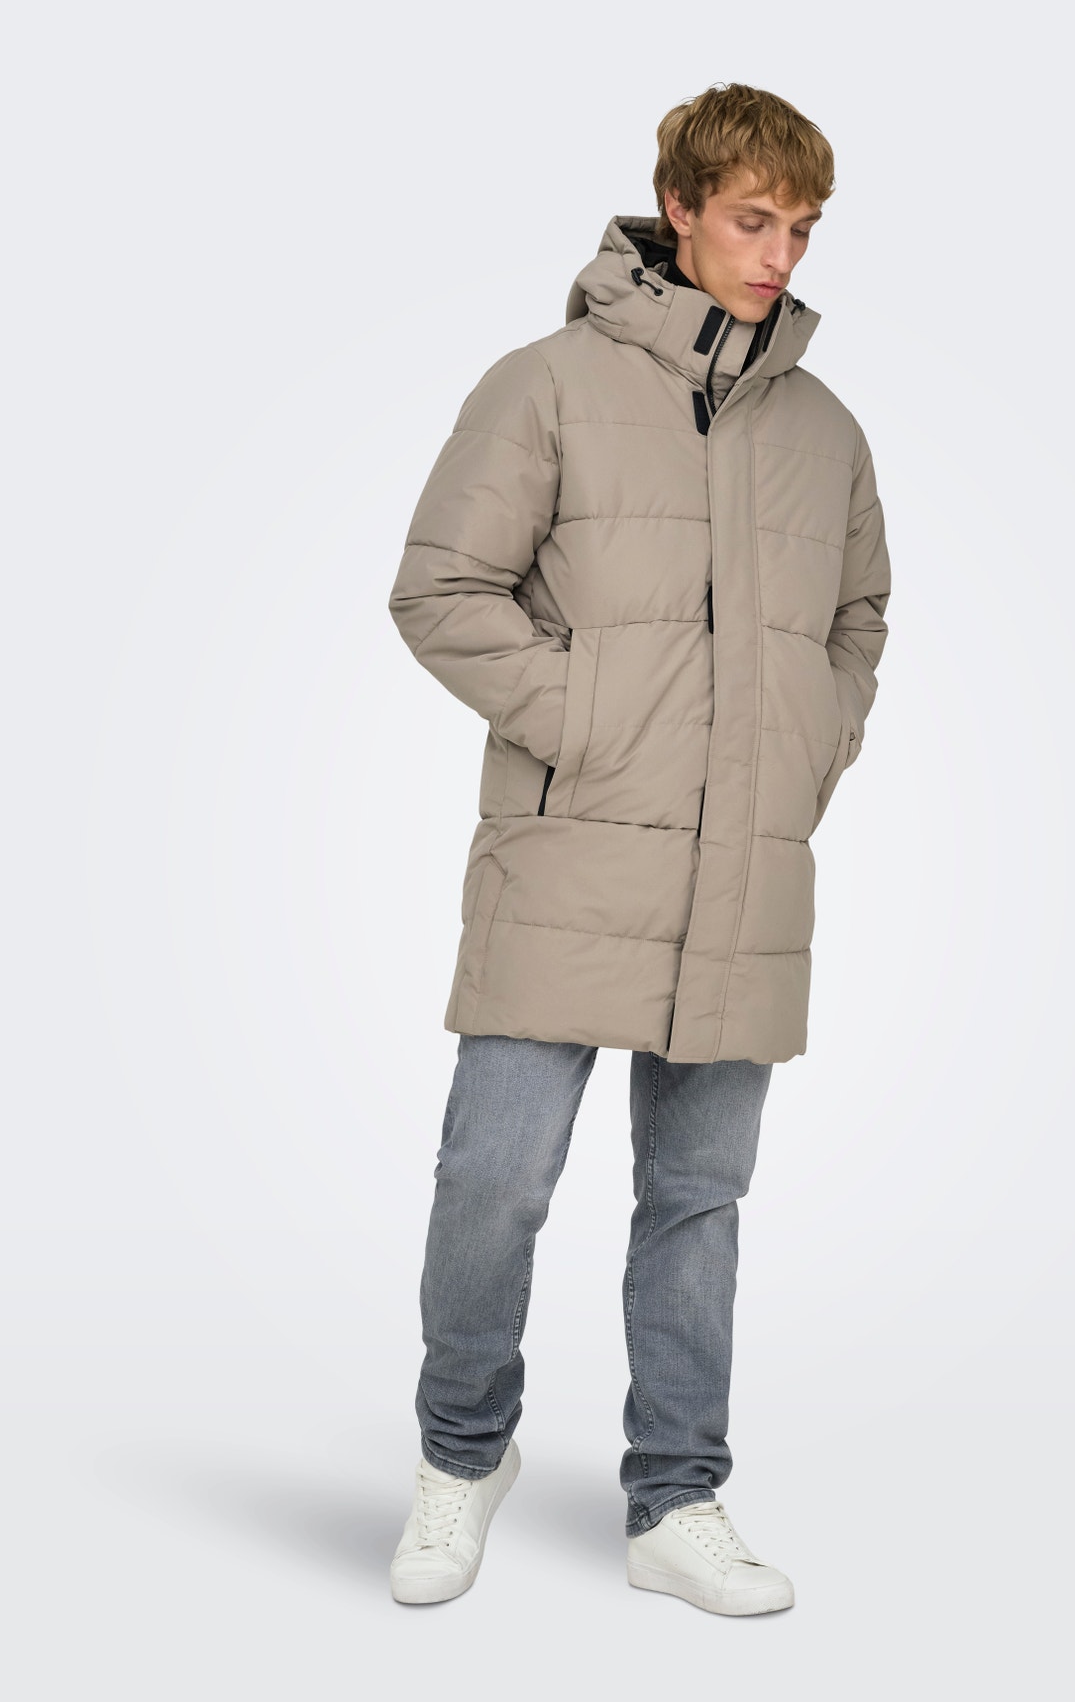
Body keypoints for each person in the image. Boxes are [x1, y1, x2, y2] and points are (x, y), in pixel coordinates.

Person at [385, 81, 891, 1616]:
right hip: (571, 854)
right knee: (494, 1177)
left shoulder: (824, 430)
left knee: (698, 1198)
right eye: (753, 219)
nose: (778, 255)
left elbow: (860, 620)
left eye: (802, 229)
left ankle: (678, 1498)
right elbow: (440, 590)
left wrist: (807, 747)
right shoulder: (546, 386)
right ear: (678, 209)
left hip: (745, 872)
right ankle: (460, 1457)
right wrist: (589, 718)